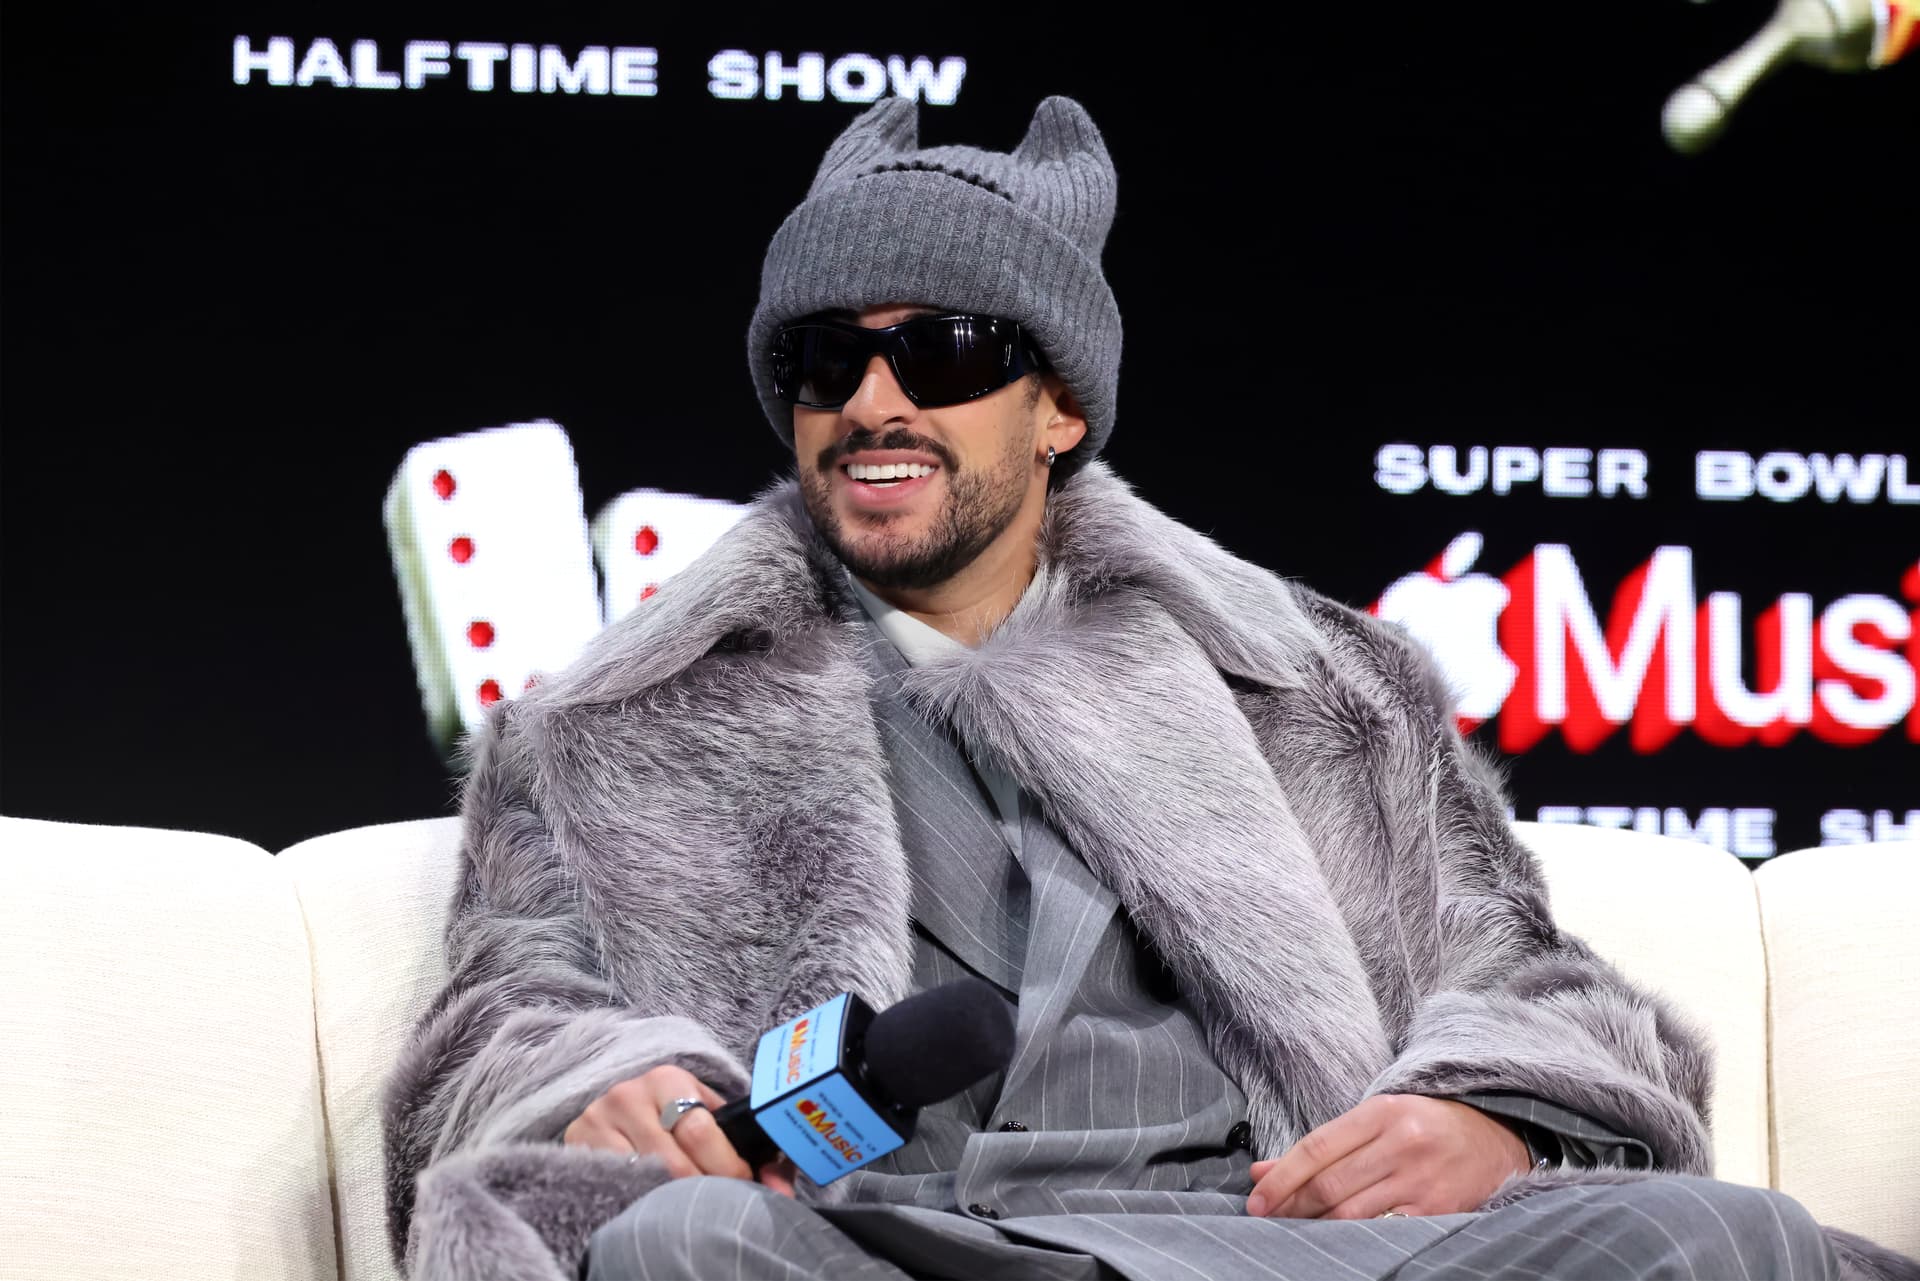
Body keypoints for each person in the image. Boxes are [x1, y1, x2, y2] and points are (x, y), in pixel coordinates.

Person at [380, 96, 1918, 1281]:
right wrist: (606, 1078)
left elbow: (1532, 980)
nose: (875, 401)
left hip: (1276, 1242)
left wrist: (1489, 1112)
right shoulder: (615, 724)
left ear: (1058, 408)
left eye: (944, 351)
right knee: (673, 1251)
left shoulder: (1320, 686)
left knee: (1714, 1236)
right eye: (826, 363)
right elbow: (502, 1009)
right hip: (905, 1244)